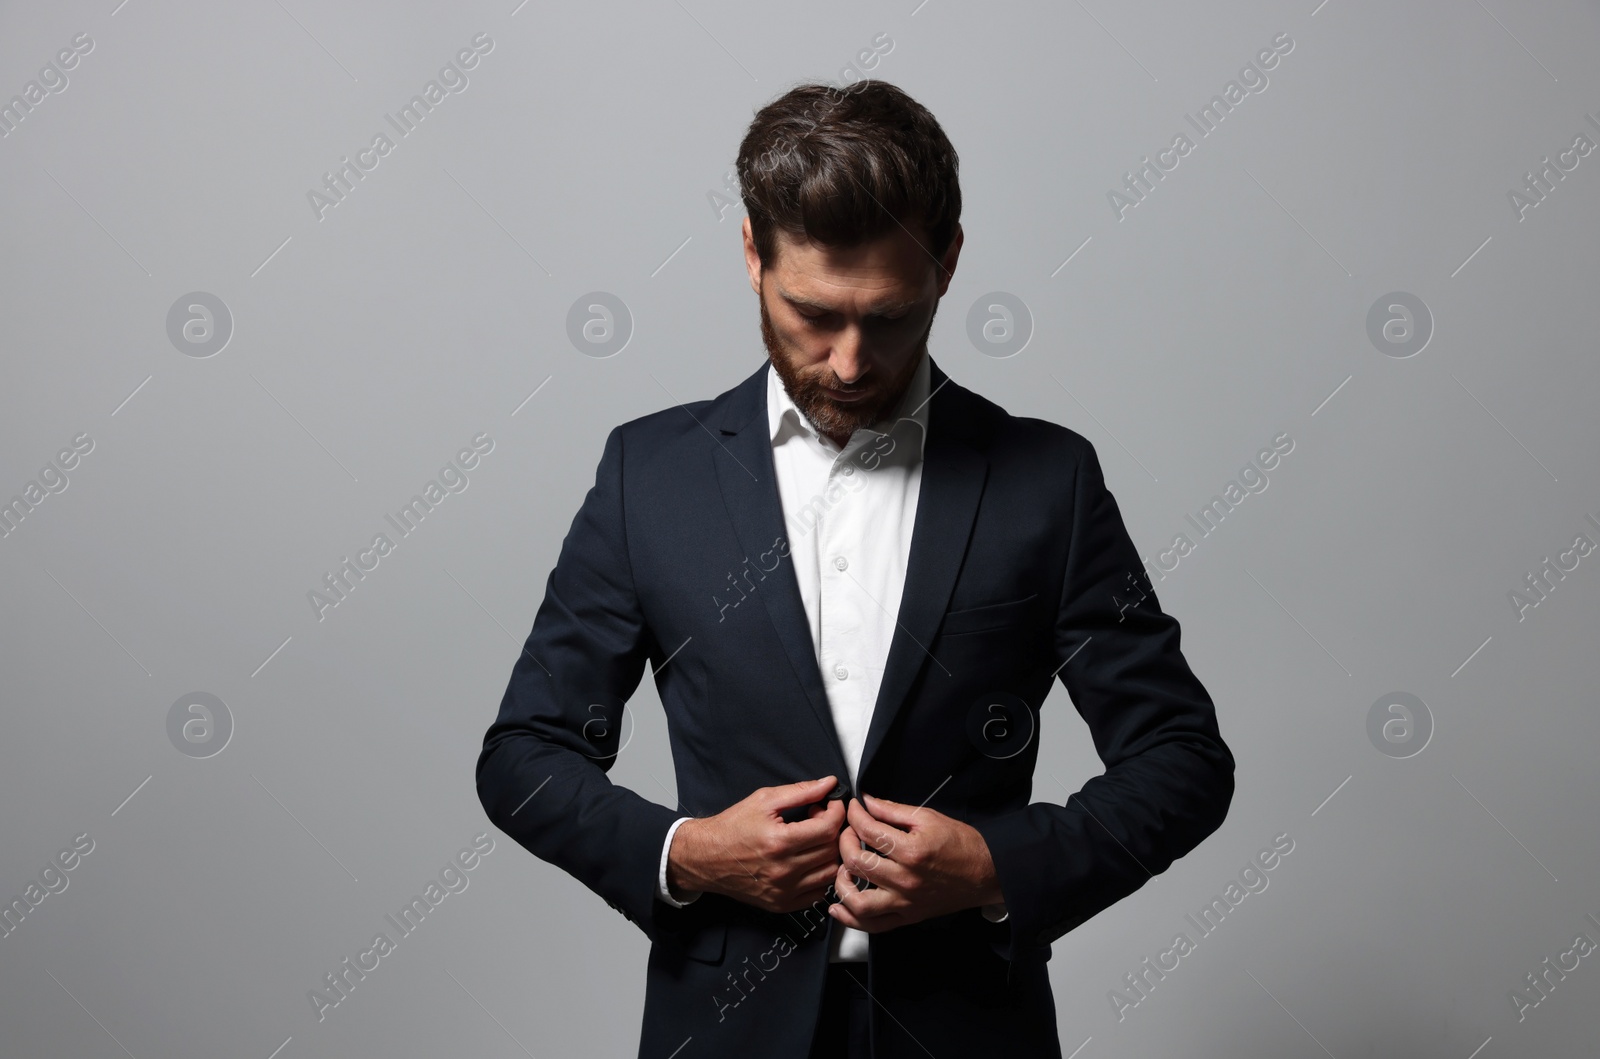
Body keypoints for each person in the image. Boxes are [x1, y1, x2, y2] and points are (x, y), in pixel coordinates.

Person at [476, 78, 1234, 1059]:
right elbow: (524, 754)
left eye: (888, 317)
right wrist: (688, 851)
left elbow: (1181, 758)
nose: (846, 362)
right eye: (812, 314)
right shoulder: (645, 477)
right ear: (751, 254)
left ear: (948, 264)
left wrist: (996, 863)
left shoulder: (1049, 479)